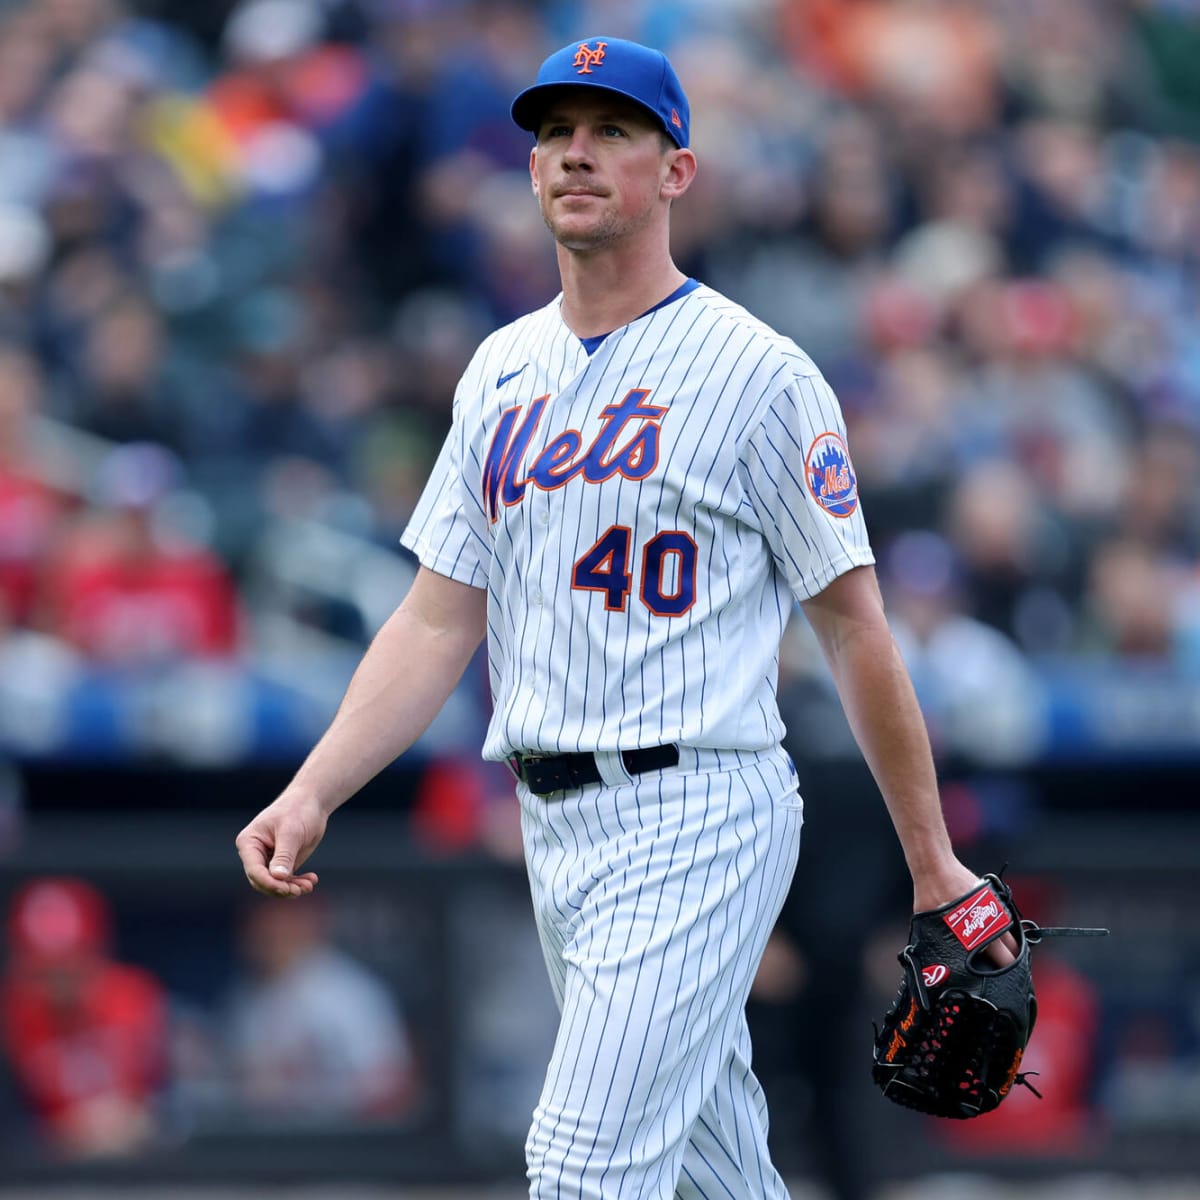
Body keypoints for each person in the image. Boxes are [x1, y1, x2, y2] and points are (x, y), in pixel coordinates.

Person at [236, 36, 1015, 1198]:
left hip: (700, 804)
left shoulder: (759, 372)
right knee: (712, 1172)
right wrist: (311, 791)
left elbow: (853, 627)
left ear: (677, 171)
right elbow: (436, 621)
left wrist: (932, 858)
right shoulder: (499, 370)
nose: (576, 155)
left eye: (613, 131)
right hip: (555, 823)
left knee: (583, 1166)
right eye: (554, 133)